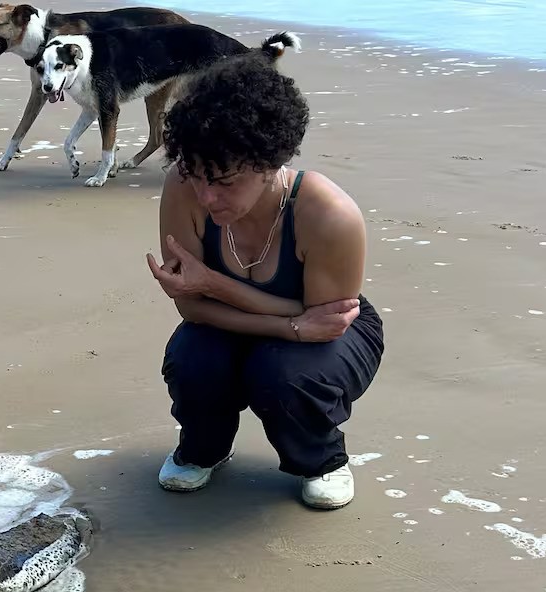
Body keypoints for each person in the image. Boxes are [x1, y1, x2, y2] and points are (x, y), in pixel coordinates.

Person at [143, 49, 384, 509]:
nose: (207, 195)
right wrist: (286, 322)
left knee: (282, 373)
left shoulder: (330, 215)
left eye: (225, 181)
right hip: (256, 319)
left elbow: (325, 322)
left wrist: (213, 286)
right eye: (196, 175)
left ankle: (323, 459)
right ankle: (203, 449)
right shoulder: (183, 184)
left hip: (333, 333)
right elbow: (191, 308)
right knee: (191, 357)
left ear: (270, 162)